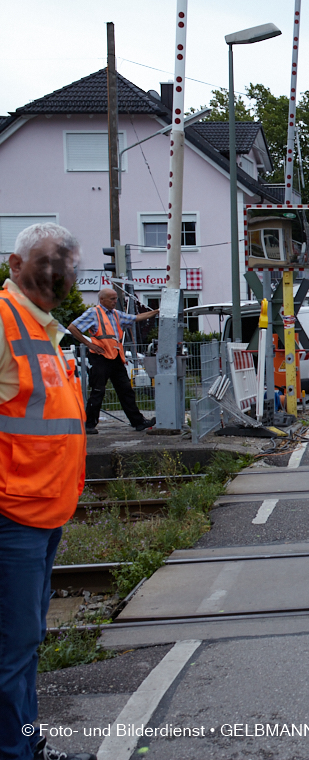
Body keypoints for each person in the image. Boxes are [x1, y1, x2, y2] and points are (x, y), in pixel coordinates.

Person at [0, 223, 96, 760]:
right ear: (15, 266)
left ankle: (24, 745)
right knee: (12, 647)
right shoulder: (4, 321)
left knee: (23, 642)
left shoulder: (43, 330)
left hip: (40, 514)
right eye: (43, 262)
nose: (56, 273)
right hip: (11, 516)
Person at [67, 287, 158, 433]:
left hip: (115, 357)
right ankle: (89, 425)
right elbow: (72, 327)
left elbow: (136, 318)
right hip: (100, 357)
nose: (115, 301)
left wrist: (157, 311)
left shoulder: (116, 314)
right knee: (98, 391)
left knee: (126, 390)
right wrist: (89, 344)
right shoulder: (93, 313)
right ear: (102, 299)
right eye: (112, 299)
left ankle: (138, 422)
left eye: (116, 298)